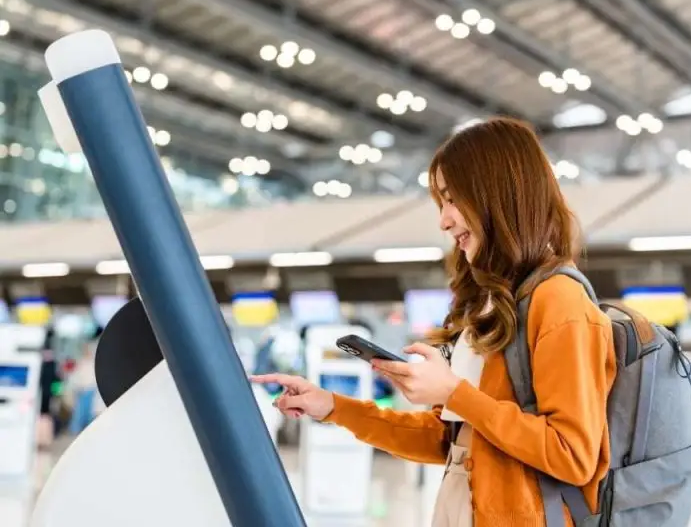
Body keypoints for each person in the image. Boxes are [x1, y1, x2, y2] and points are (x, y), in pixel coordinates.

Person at [254, 117, 616, 526]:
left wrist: (456, 393)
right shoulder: (498, 305)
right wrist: (334, 407)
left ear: (497, 194)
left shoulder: (560, 301)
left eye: (452, 199)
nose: (444, 220)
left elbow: (572, 455)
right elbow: (448, 441)